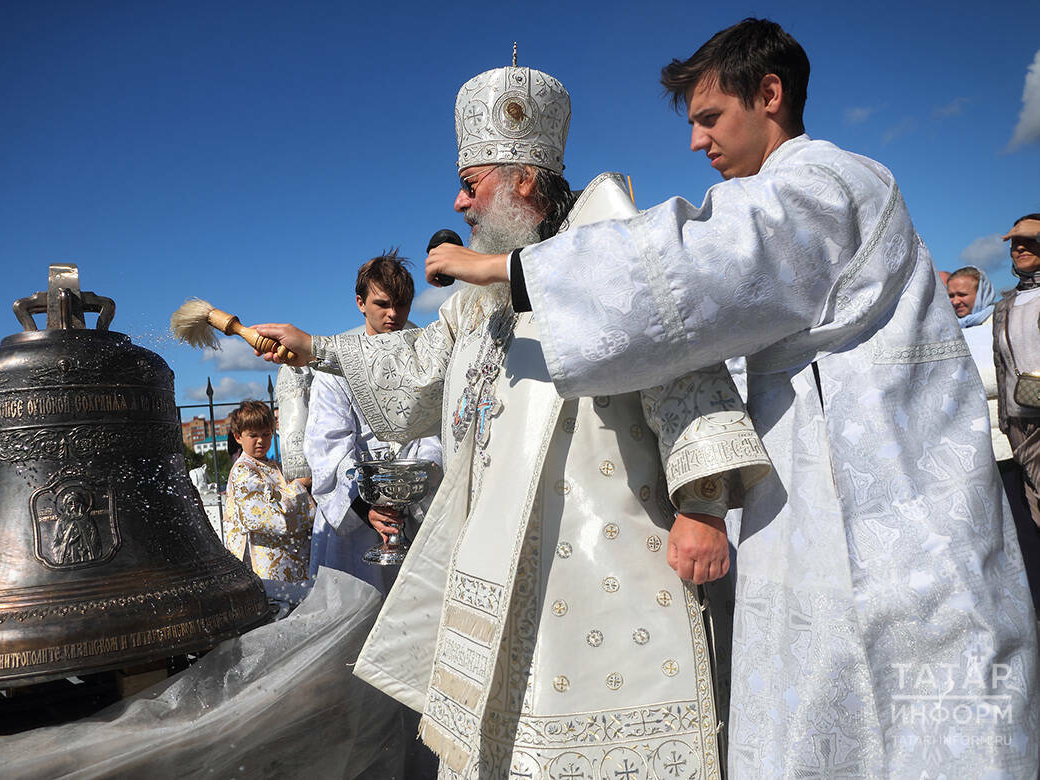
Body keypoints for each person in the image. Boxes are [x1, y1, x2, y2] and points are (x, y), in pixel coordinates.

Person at [421, 20, 1039, 777]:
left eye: (709, 118)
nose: (694, 144)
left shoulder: (826, 183)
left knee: (913, 724)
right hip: (828, 513)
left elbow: (691, 271)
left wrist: (510, 271)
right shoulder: (798, 192)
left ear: (770, 95)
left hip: (890, 529)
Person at [255, 64, 771, 777]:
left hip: (605, 570)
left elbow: (684, 371)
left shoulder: (611, 256)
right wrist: (313, 349)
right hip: (498, 569)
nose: (459, 200)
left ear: (522, 179)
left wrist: (704, 507)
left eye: (471, 181)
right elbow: (413, 371)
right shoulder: (476, 297)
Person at [302, 251, 442, 595]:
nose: (393, 314)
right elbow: (328, 443)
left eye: (403, 304)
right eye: (382, 304)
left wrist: (410, 491)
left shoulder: (428, 356)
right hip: (355, 520)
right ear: (360, 303)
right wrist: (367, 507)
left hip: (415, 509)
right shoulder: (336, 363)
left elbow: (436, 430)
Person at [992, 214, 1040, 607]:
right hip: (1019, 427)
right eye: (1013, 242)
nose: (1019, 247)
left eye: (1029, 240)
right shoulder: (1005, 303)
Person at [222, 400, 314, 582]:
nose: (260, 441)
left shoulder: (272, 465)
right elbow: (262, 516)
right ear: (238, 437)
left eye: (266, 434)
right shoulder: (243, 470)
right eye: (253, 435)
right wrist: (299, 486)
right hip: (264, 557)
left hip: (287, 553)